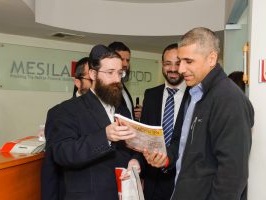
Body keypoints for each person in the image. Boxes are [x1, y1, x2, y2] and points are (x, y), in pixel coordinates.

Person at [143, 27, 254, 200]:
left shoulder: (229, 98)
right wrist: (166, 159)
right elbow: (185, 144)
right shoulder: (196, 93)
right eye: (180, 61)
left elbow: (233, 175)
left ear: (211, 59)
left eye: (188, 61)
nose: (180, 69)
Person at [47, 45, 136, 200]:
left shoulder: (122, 110)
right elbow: (62, 154)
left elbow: (131, 148)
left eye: (120, 73)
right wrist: (105, 136)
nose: (117, 79)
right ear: (93, 74)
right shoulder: (66, 110)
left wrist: (135, 161)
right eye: (110, 73)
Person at [137, 43, 189, 200]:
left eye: (177, 63)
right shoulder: (151, 95)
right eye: (168, 63)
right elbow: (143, 137)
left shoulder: (195, 97)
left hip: (182, 181)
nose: (172, 69)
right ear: (162, 64)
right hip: (152, 181)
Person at [41, 56, 92, 200]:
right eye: (91, 80)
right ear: (77, 82)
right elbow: (50, 168)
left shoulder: (114, 110)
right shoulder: (58, 113)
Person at [108, 41, 142, 121]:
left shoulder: (122, 86)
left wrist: (134, 114)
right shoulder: (105, 88)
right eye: (122, 59)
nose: (125, 64)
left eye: (127, 60)